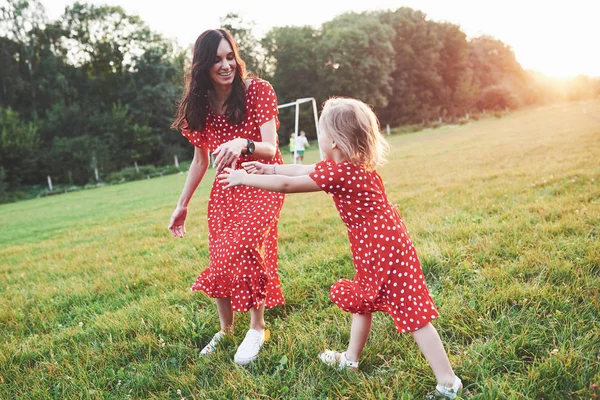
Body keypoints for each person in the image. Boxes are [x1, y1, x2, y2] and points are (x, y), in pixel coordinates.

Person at [218, 98, 462, 398]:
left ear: (333, 140)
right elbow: (305, 169)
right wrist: (268, 171)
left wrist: (246, 178)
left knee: (414, 315)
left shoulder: (339, 173)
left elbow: (290, 186)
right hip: (381, 243)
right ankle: (350, 359)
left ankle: (448, 383)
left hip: (381, 248)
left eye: (320, 132)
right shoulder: (350, 165)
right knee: (363, 300)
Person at [169, 28, 285, 366]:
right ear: (203, 65)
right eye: (217, 59)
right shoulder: (201, 104)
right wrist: (182, 203)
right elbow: (200, 160)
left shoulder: (258, 91)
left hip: (263, 178)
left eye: (230, 56)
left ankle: (257, 327)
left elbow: (270, 148)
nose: (226, 65)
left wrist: (242, 144)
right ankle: (226, 329)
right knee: (220, 255)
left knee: (247, 243)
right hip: (226, 186)